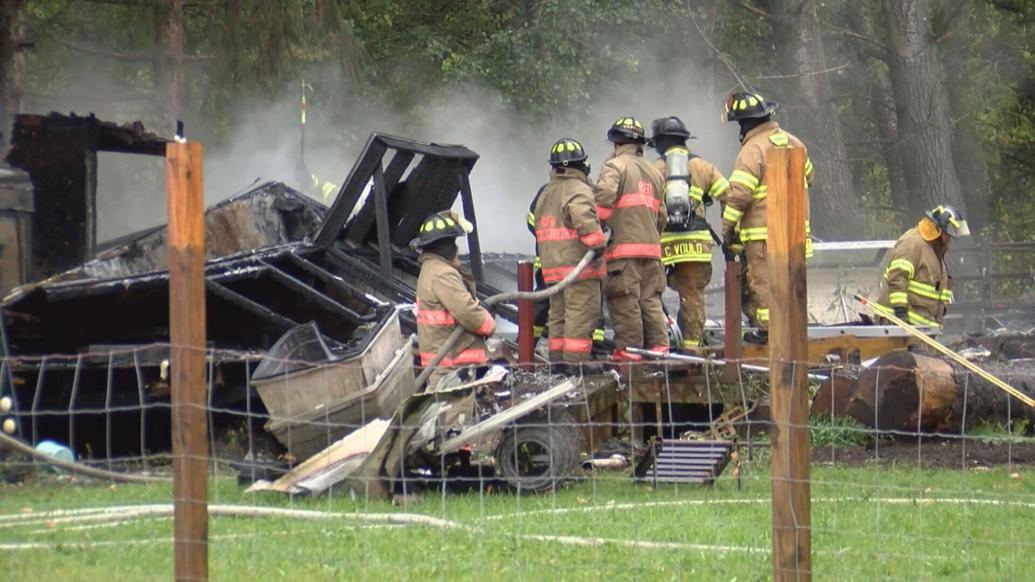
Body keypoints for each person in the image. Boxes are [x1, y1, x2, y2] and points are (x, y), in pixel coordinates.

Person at [720, 91, 815, 345]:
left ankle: (767, 332)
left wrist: (728, 229)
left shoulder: (752, 150)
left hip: (764, 236)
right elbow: (810, 178)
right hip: (795, 233)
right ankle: (793, 328)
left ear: (744, 123)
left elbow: (739, 195)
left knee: (764, 284)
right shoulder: (796, 143)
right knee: (792, 281)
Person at [650, 116, 730, 351]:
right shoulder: (704, 167)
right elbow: (729, 196)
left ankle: (658, 344)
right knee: (692, 296)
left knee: (650, 295)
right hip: (696, 244)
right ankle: (692, 347)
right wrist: (729, 232)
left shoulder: (655, 169)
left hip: (663, 245)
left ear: (660, 142)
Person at [595, 116, 668, 361]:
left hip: (623, 253)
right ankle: (659, 349)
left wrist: (598, 229)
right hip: (652, 252)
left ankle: (629, 353)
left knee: (625, 302)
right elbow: (662, 215)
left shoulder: (614, 167)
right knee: (650, 301)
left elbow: (603, 200)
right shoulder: (655, 173)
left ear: (616, 142)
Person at [531, 138, 608, 370]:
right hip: (579, 269)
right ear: (581, 164)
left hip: (553, 271)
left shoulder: (546, 192)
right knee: (580, 316)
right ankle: (575, 365)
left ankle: (558, 364)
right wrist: (597, 242)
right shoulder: (578, 189)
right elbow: (582, 216)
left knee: (558, 318)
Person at [410, 210, 496, 389]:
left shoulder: (431, 269)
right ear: (446, 247)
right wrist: (487, 320)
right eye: (454, 243)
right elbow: (468, 313)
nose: (457, 250)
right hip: (452, 368)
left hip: (446, 365)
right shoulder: (442, 274)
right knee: (454, 416)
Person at [875, 205, 969, 328]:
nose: (949, 241)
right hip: (898, 325)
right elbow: (898, 277)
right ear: (938, 230)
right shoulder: (913, 243)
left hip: (920, 329)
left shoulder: (933, 250)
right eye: (949, 235)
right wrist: (900, 313)